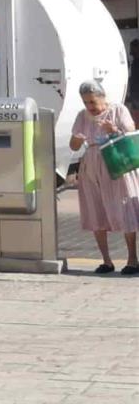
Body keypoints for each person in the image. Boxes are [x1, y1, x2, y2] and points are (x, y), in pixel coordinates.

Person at [70, 80, 139, 274]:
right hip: (91, 167)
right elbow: (74, 146)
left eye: (92, 102)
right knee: (95, 210)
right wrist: (77, 139)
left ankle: (133, 259)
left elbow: (132, 132)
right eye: (85, 103)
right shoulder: (82, 116)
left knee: (124, 209)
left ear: (102, 97)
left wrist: (114, 130)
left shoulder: (118, 110)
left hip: (116, 163)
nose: (89, 107)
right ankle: (106, 261)